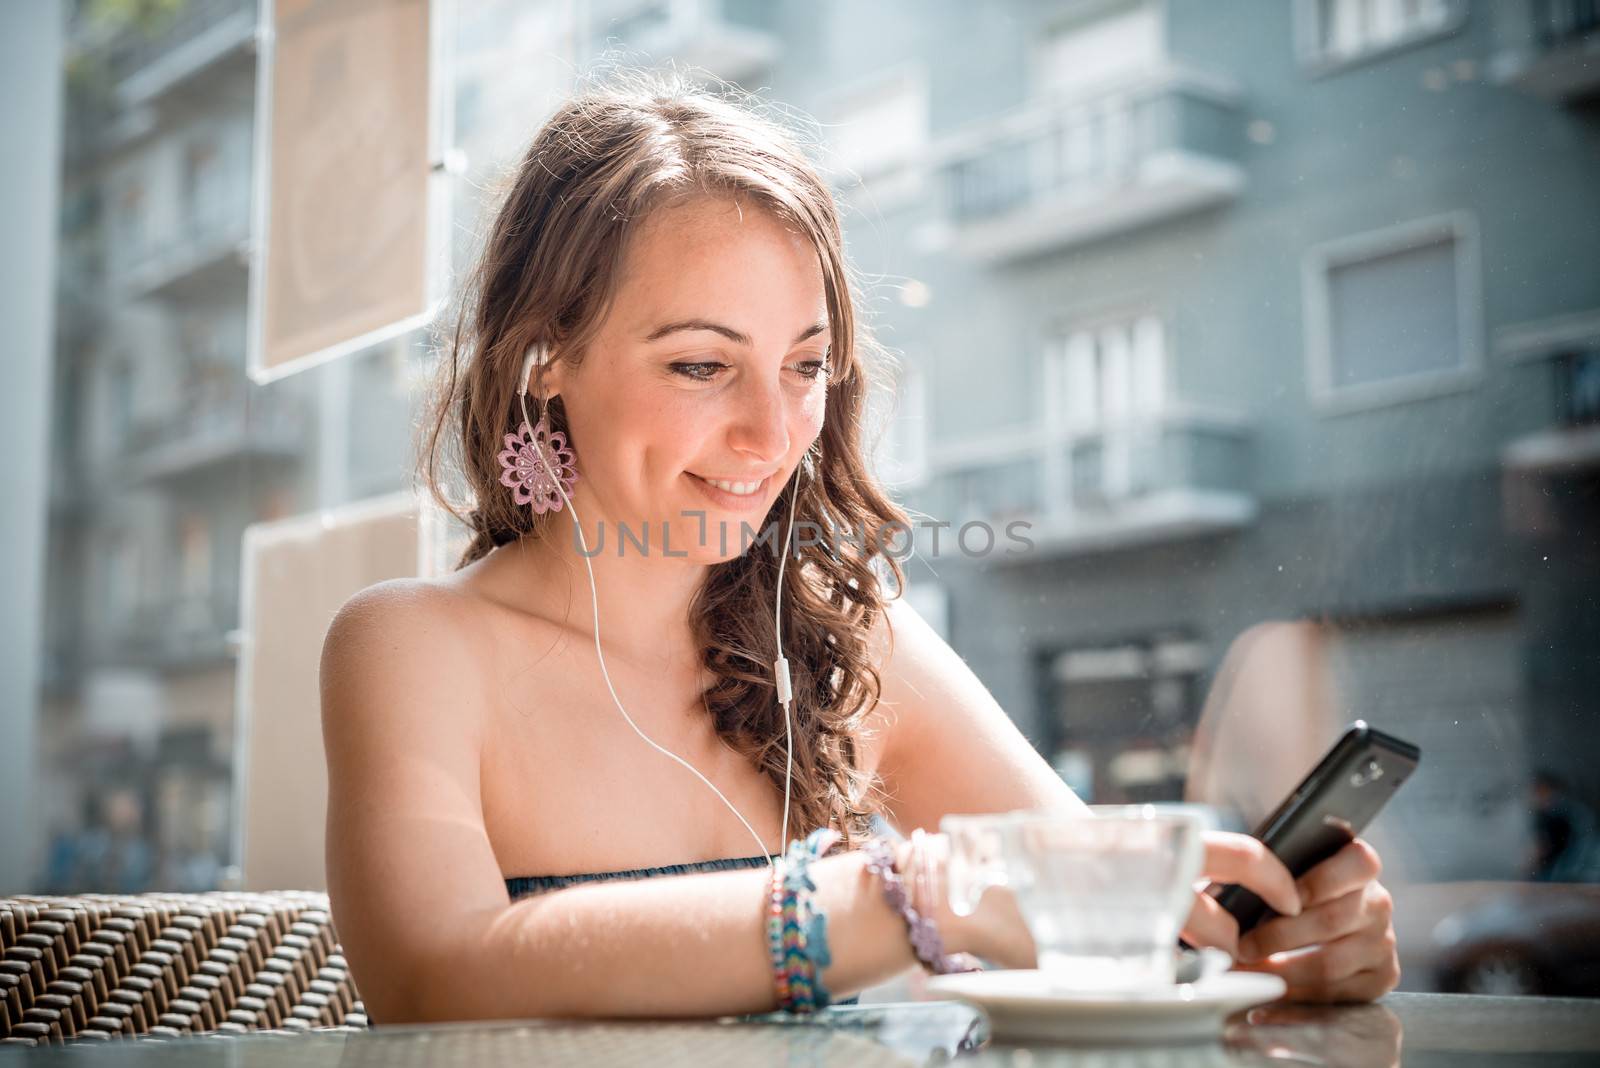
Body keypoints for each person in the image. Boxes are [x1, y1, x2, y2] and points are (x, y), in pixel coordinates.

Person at [319, 71, 1400, 1024]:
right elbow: (434, 971)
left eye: (804, 365)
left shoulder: (849, 637)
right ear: (545, 357)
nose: (771, 431)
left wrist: (1261, 949)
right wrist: (914, 898)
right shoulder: (412, 647)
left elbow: (1084, 905)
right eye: (700, 365)